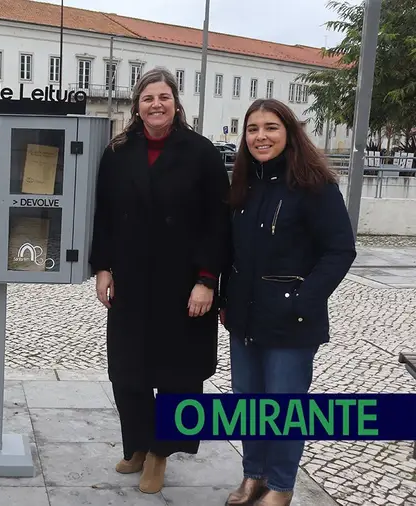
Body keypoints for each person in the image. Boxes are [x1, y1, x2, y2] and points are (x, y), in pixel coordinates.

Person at [88, 68, 231, 494]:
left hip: (183, 283)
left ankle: (160, 454)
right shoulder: (118, 151)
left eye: (164, 97)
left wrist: (207, 280)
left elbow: (217, 223)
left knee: (177, 373)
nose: (156, 104)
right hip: (131, 278)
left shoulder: (202, 152)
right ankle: (136, 444)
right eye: (148, 97)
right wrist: (103, 267)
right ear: (137, 105)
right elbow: (105, 216)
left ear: (176, 102)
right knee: (127, 370)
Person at [220, 99, 355, 506]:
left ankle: (280, 485)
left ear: (289, 132)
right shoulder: (244, 184)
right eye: (252, 129)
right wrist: (226, 299)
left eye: (271, 127)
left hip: (291, 322)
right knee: (248, 401)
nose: (260, 136)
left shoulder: (315, 185)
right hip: (244, 318)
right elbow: (233, 250)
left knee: (284, 406)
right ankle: (253, 476)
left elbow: (340, 251)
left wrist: (301, 301)